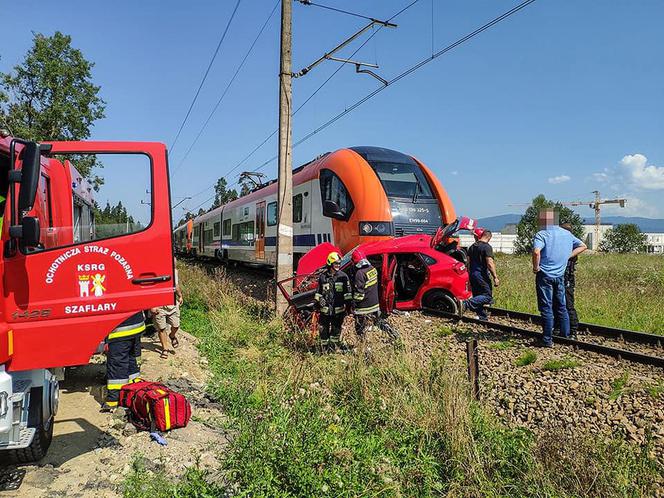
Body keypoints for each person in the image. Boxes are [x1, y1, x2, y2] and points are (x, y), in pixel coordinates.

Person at [532, 209, 587, 347]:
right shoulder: (567, 234)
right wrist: (567, 255)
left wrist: (535, 267)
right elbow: (583, 246)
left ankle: (547, 340)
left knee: (546, 307)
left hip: (544, 275)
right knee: (562, 306)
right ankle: (565, 335)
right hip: (560, 275)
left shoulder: (542, 234)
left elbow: (536, 251)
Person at [101, 311, 146, 412]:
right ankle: (134, 388)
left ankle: (114, 399)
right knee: (131, 358)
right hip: (136, 325)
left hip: (120, 329)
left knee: (117, 364)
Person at [314, 251, 352, 350]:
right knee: (323, 330)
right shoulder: (323, 277)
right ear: (330, 264)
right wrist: (318, 302)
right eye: (336, 263)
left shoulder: (343, 277)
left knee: (336, 330)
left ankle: (332, 349)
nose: (338, 265)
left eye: (339, 263)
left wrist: (348, 307)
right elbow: (318, 292)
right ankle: (324, 349)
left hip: (338, 310)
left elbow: (347, 294)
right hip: (325, 311)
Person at [459, 229, 499, 320]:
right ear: (489, 237)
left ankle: (482, 317)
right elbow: (490, 263)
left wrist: (469, 275)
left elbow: (468, 263)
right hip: (481, 274)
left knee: (477, 296)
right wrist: (495, 277)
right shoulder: (487, 247)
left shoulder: (471, 247)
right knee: (487, 296)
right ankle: (466, 304)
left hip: (472, 274)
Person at [152, 261, 183, 359]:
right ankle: (165, 348)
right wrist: (151, 305)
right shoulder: (153, 272)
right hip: (158, 304)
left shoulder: (174, 271)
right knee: (161, 328)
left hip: (172, 303)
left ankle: (172, 335)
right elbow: (150, 289)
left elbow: (176, 285)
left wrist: (180, 296)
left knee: (176, 325)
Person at [553, 223, 580, 339]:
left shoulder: (572, 245)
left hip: (566, 277)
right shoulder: (569, 244)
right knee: (557, 303)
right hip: (562, 276)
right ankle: (559, 327)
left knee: (568, 304)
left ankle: (572, 330)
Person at [350, 249, 381, 339]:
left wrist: (353, 303)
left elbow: (359, 295)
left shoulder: (360, 274)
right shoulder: (372, 269)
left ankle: (362, 344)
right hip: (375, 305)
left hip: (364, 308)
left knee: (360, 329)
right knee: (376, 324)